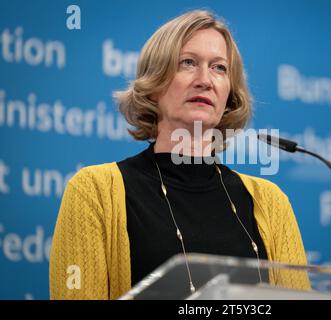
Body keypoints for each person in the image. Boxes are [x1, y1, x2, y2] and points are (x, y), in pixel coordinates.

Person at [49, 10, 309, 300]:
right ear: (154, 82)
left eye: (219, 68)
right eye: (188, 63)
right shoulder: (94, 191)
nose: (205, 80)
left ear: (229, 95)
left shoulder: (271, 203)